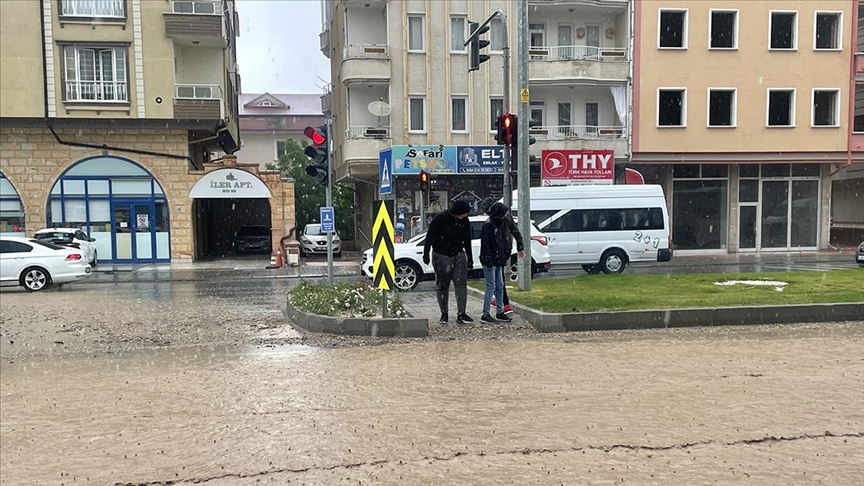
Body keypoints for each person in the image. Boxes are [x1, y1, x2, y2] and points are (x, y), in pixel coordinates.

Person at [422, 200, 474, 325]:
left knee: (461, 284)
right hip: (441, 255)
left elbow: (467, 240)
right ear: (458, 212)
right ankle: (444, 313)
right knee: (442, 285)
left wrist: (470, 258)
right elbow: (429, 237)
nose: (466, 216)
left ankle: (461, 313)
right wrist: (426, 254)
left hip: (458, 254)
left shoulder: (465, 222)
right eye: (464, 213)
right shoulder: (439, 219)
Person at [480, 198, 525, 315]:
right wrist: (520, 247)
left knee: (496, 282)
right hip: (505, 248)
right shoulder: (505, 218)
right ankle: (501, 303)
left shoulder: (494, 221)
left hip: (501, 249)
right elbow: (516, 232)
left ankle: (503, 303)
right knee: (498, 281)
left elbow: (487, 243)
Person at [479, 203, 511, 323]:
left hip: (496, 260)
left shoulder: (495, 224)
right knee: (491, 287)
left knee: (499, 287)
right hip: (491, 260)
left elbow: (498, 244)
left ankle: (499, 311)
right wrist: (489, 259)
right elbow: (486, 244)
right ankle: (486, 313)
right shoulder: (489, 226)